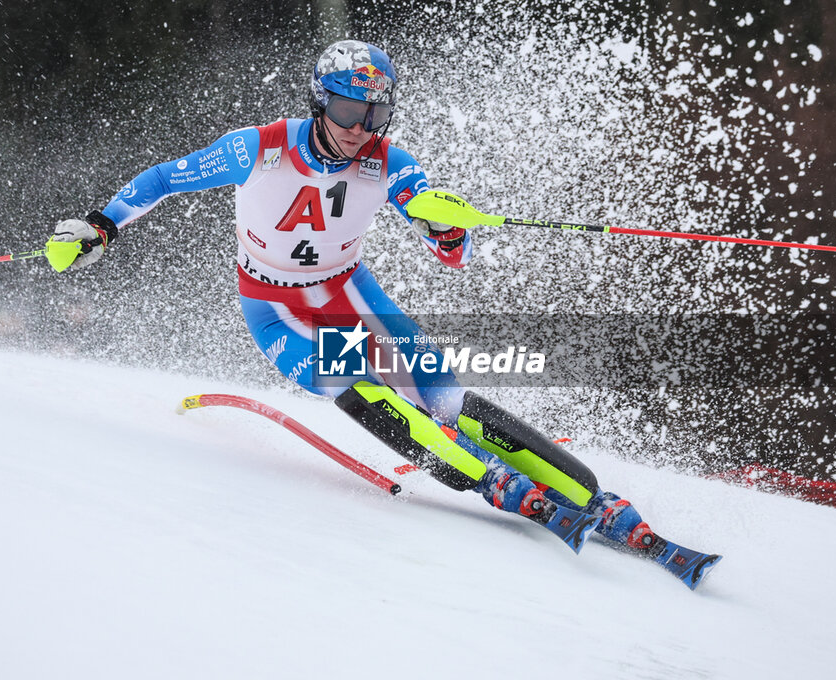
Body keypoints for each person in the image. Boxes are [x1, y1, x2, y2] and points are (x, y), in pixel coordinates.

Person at [50, 40, 714, 580]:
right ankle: (495, 486)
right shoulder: (263, 147)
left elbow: (443, 240)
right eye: (346, 110)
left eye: (373, 115)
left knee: (447, 398)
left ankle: (586, 494)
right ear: (319, 101)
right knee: (364, 386)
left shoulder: (387, 160)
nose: (357, 129)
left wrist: (448, 230)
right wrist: (101, 225)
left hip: (351, 295)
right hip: (276, 309)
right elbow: (167, 177)